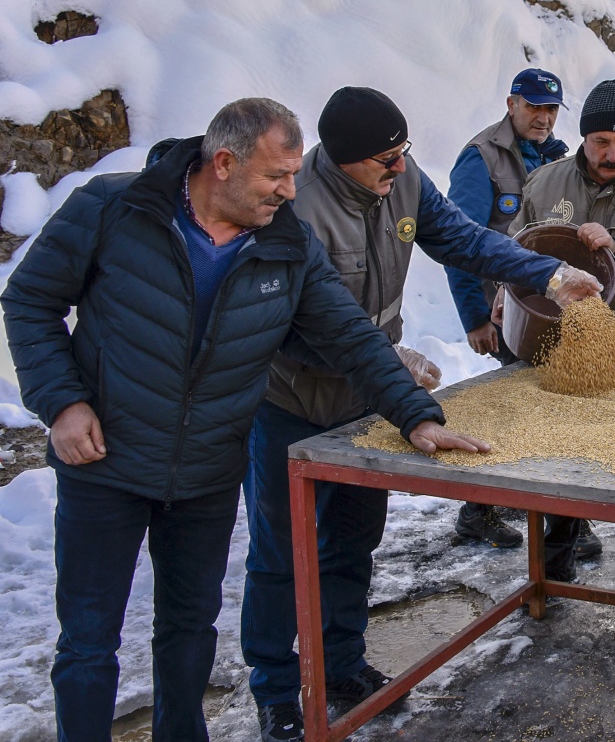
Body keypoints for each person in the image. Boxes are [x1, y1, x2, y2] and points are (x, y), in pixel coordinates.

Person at [0, 98, 487, 742]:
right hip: (104, 463)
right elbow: (30, 301)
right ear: (223, 164)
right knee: (90, 642)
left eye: (293, 175)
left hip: (206, 473)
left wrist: (415, 416)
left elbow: (349, 335)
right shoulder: (112, 208)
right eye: (276, 177)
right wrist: (62, 402)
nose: (292, 190)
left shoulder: (287, 242)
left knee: (188, 630)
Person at [241, 87, 600, 741]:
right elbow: (284, 328)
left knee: (352, 541)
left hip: (368, 401)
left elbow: (463, 238)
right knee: (279, 554)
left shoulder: (402, 186)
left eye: (403, 152)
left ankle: (343, 664)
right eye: (386, 159)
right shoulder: (295, 210)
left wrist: (547, 274)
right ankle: (274, 689)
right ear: (343, 161)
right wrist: (386, 355)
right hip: (291, 405)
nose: (400, 167)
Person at [510, 77, 615, 592]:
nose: (612, 153)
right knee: (557, 461)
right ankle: (551, 570)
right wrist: (502, 291)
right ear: (582, 137)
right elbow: (512, 249)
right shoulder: (544, 184)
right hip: (556, 348)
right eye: (600, 142)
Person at [447, 68, 571, 549]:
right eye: (534, 107)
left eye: (551, 110)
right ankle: (478, 510)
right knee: (513, 406)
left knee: (542, 402)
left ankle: (548, 514)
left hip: (545, 305)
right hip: (499, 312)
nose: (543, 118)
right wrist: (473, 318)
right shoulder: (481, 159)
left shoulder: (557, 156)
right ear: (511, 104)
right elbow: (456, 241)